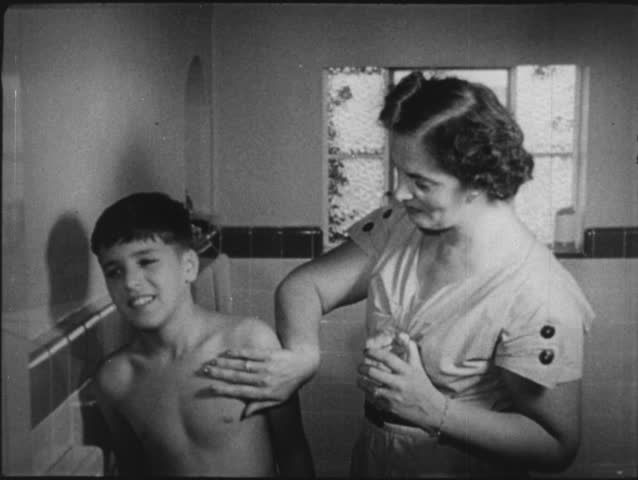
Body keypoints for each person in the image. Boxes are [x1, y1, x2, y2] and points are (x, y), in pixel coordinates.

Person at [201, 72, 595, 477]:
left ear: (477, 181)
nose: (401, 193)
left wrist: (434, 409)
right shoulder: (399, 225)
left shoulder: (540, 293)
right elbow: (305, 286)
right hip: (377, 458)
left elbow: (556, 445)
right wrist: (304, 354)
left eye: (420, 182)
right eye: (399, 174)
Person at [89, 192, 315, 477]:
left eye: (146, 262)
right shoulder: (115, 380)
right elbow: (131, 469)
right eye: (114, 271)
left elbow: (293, 452)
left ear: (189, 267)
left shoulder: (247, 342)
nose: (130, 282)